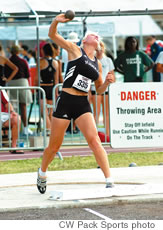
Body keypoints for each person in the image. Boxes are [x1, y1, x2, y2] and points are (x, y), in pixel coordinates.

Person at [36, 13, 115, 194]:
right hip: (66, 100)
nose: (93, 35)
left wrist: (107, 83)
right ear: (84, 41)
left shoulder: (98, 64)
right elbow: (52, 35)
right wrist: (56, 21)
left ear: (97, 43)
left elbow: (99, 90)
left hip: (82, 103)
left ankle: (109, 180)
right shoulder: (74, 50)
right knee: (54, 146)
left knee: (94, 141)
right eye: (90, 34)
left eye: (96, 35)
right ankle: (42, 172)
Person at [4, 45, 33, 136]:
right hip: (22, 83)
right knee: (23, 107)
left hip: (11, 84)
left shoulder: (7, 61)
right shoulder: (23, 61)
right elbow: (28, 75)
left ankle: (15, 129)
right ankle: (25, 128)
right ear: (18, 52)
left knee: (13, 108)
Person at [35, 43, 59, 134]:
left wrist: (35, 88)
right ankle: (52, 130)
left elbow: (37, 78)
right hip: (52, 88)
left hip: (43, 88)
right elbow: (56, 80)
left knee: (44, 112)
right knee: (51, 111)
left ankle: (49, 129)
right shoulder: (55, 62)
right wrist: (56, 92)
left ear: (43, 51)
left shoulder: (40, 62)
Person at [95, 41, 115, 137]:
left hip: (107, 89)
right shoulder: (92, 60)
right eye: (97, 50)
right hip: (95, 89)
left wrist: (113, 86)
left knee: (107, 113)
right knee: (96, 112)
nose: (99, 52)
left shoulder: (108, 60)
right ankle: (94, 134)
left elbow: (112, 74)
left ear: (103, 49)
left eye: (100, 49)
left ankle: (108, 134)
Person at [1, 89, 23, 154]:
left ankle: (13, 147)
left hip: (2, 115)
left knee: (16, 118)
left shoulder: (1, 89)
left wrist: (12, 111)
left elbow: (7, 103)